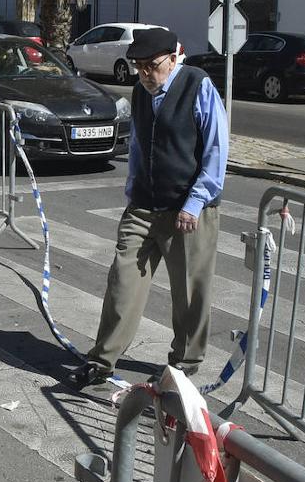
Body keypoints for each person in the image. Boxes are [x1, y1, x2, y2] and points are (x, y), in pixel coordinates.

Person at [74, 27, 228, 388]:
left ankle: (184, 365)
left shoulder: (198, 85)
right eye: (137, 66)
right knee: (123, 282)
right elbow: (141, 146)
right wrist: (133, 190)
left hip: (188, 209)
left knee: (190, 293)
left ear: (173, 59)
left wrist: (194, 203)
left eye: (151, 66)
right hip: (145, 206)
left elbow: (216, 152)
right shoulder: (142, 92)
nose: (143, 73)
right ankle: (102, 360)